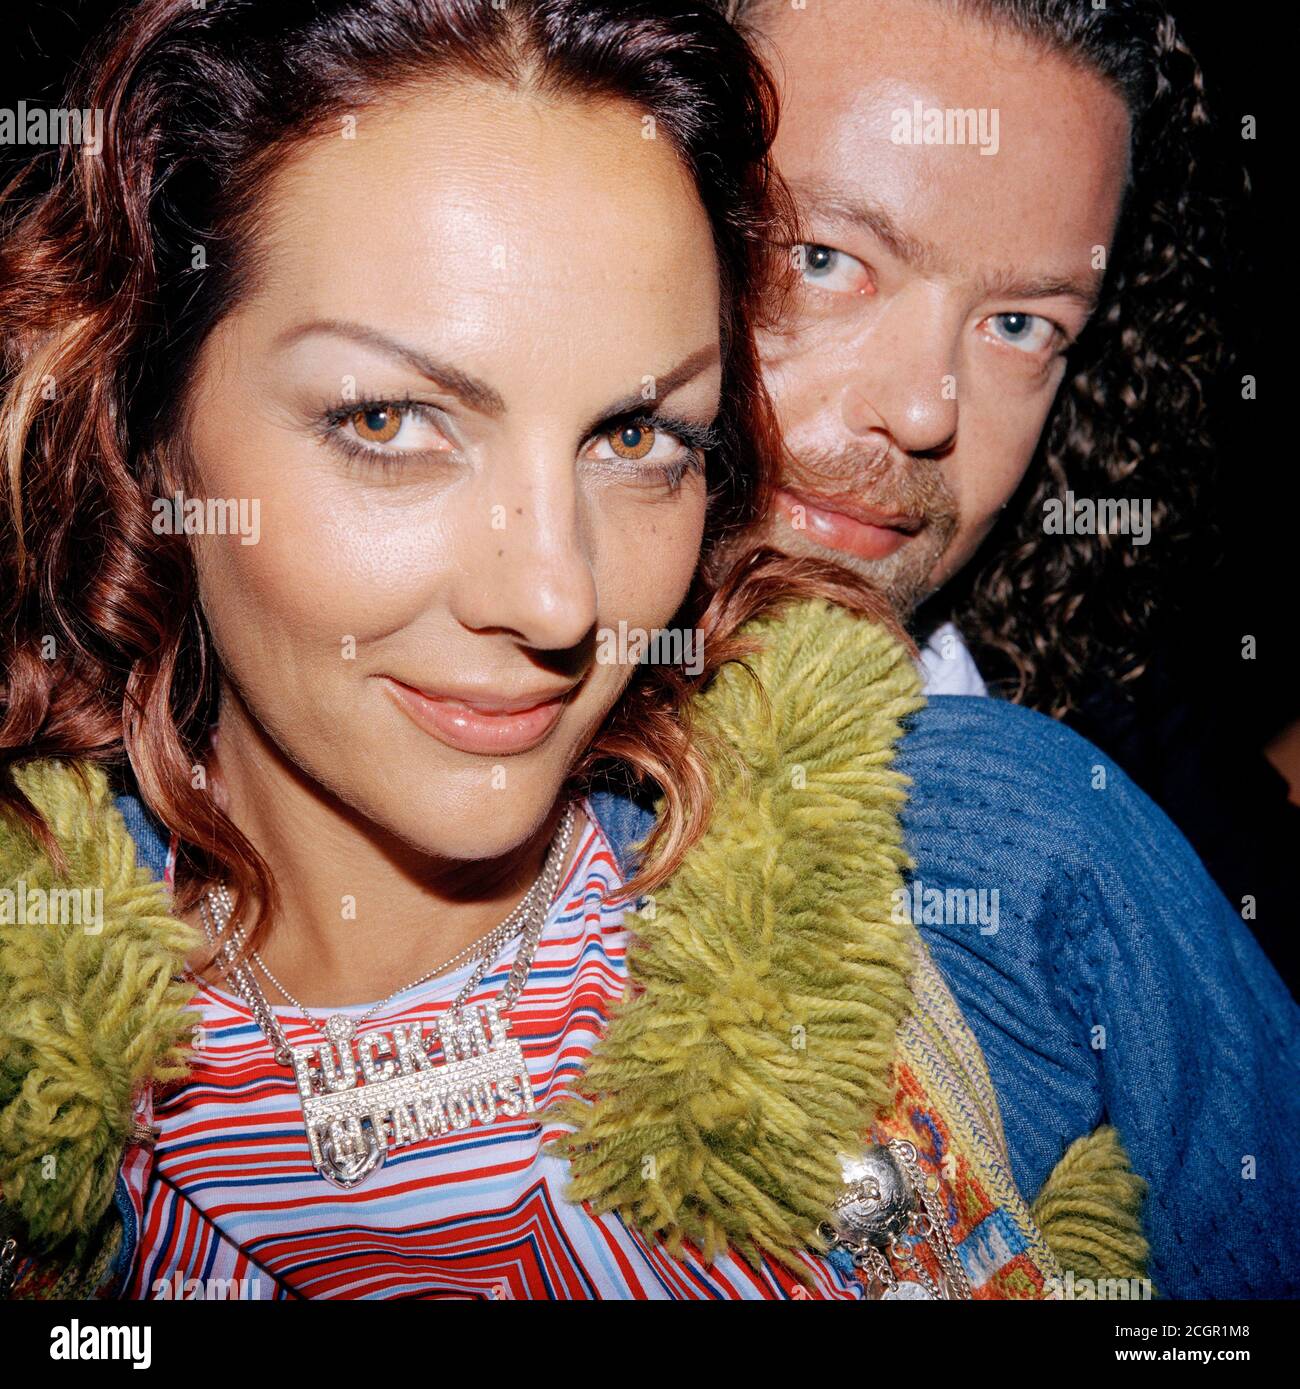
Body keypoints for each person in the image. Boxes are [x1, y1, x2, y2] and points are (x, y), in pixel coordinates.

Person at [0, 0, 1294, 1305]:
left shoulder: (1017, 854)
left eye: (637, 437)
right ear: (141, 422)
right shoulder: (51, 1008)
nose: (559, 599)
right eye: (388, 418)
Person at [725, 0, 1299, 988]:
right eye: (821, 261)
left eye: (1018, 325)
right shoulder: (453, 758)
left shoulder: (1123, 763)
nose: (921, 411)